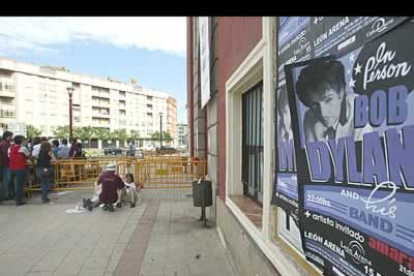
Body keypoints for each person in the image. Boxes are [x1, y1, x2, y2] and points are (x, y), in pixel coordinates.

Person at [295, 59, 372, 143]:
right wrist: (320, 139)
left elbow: (364, 154)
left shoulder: (360, 108)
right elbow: (312, 155)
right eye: (314, 104)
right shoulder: (309, 118)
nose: (323, 113)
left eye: (328, 100)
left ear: (341, 92)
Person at [8, 135, 31, 206]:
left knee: (12, 184)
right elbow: (29, 155)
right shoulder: (23, 148)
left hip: (11, 168)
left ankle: (14, 197)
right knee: (19, 185)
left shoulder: (9, 148)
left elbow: (9, 157)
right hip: (20, 168)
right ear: (21, 141)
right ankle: (19, 201)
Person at [0, 131, 13, 201]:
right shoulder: (4, 144)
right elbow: (7, 154)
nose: (12, 138)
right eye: (11, 136)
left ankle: (6, 194)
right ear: (7, 136)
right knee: (6, 180)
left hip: (4, 164)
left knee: (6, 180)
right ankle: (5, 195)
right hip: (6, 164)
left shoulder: (4, 143)